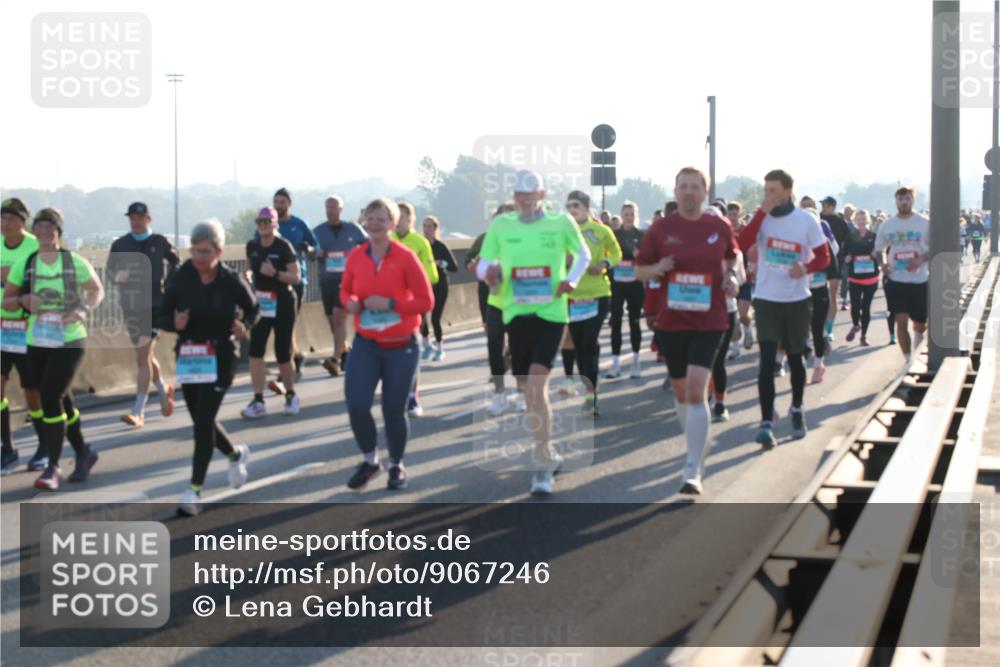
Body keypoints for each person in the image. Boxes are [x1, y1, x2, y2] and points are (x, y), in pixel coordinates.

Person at [476, 170, 590, 496]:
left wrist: (573, 280)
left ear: (542, 195)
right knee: (528, 390)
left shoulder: (561, 222)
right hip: (517, 313)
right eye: (519, 195)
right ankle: (548, 448)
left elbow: (583, 254)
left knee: (537, 386)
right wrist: (490, 272)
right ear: (514, 198)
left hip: (552, 313)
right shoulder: (501, 225)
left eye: (530, 194)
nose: (524, 200)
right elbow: (482, 263)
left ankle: (541, 466)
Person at [636, 167, 740, 494]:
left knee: (696, 390)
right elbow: (638, 270)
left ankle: (692, 467)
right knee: (682, 394)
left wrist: (733, 277)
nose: (689, 192)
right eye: (684, 187)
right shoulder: (660, 229)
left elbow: (733, 257)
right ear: (675, 191)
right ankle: (696, 441)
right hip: (672, 320)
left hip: (710, 319)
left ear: (705, 192)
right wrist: (655, 268)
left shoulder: (717, 226)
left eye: (696, 187)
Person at [156, 218, 257, 516]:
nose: (199, 257)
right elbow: (160, 314)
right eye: (195, 251)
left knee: (202, 423)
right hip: (189, 355)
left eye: (205, 251)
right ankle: (236, 454)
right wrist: (172, 324)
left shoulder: (230, 279)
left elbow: (255, 308)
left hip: (222, 354)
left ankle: (194, 490)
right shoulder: (180, 277)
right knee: (203, 420)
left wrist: (245, 325)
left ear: (219, 251)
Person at [2, 208, 104, 490]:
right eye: (40, 228)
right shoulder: (27, 262)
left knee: (49, 396)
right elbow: (6, 301)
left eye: (51, 228)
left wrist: (82, 310)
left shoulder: (74, 262)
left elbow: (97, 290)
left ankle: (53, 466)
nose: (45, 233)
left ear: (59, 233)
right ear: (34, 233)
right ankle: (84, 453)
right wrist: (24, 299)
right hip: (37, 340)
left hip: (69, 340)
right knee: (61, 399)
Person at [340, 198, 433, 491]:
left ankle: (396, 465)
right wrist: (352, 303)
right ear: (364, 222)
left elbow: (426, 301)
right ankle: (370, 461)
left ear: (393, 224)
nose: (375, 224)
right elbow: (345, 291)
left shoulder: (406, 257)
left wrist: (392, 303)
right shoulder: (356, 256)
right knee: (356, 403)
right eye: (370, 218)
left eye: (381, 219)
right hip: (366, 343)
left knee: (394, 409)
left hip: (401, 344)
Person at [737, 171, 830, 448]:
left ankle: (797, 408)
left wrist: (806, 267)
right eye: (766, 191)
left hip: (797, 299)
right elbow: (741, 245)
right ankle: (766, 422)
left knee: (796, 358)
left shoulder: (805, 220)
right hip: (766, 298)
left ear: (788, 191)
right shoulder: (761, 218)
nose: (769, 196)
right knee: (766, 361)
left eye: (774, 191)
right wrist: (761, 212)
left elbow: (823, 256)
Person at [107, 202, 180, 428]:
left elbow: (177, 262)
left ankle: (139, 411)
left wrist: (169, 284)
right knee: (144, 356)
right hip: (131, 305)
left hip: (155, 305)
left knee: (142, 357)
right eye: (132, 217)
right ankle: (163, 388)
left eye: (140, 217)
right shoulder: (120, 244)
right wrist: (116, 276)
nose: (136, 221)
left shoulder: (160, 241)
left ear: (149, 219)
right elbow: (110, 271)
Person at [563, 190, 621, 415]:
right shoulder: (562, 234)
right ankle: (589, 393)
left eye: (576, 206)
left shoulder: (601, 230)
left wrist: (605, 264)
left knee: (588, 344)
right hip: (572, 297)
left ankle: (592, 396)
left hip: (598, 294)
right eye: (568, 206)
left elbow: (616, 253)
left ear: (586, 209)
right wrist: (563, 259)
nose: (572, 210)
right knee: (579, 349)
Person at [241, 207, 302, 419]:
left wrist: (275, 273)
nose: (263, 225)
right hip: (262, 303)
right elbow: (248, 266)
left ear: (275, 224)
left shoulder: (283, 246)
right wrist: (247, 275)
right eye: (260, 222)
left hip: (283, 301)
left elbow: (295, 277)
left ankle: (291, 394)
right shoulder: (253, 245)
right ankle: (258, 400)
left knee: (282, 353)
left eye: (267, 222)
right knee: (255, 352)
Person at [467, 203, 521, 415]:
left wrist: (504, 268)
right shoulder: (491, 240)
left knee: (519, 349)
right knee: (494, 348)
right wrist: (483, 270)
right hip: (496, 302)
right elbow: (479, 265)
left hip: (520, 303)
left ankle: (522, 392)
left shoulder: (525, 241)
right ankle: (499, 394)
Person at [1, 198, 41, 473]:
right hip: (3, 328)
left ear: (23, 222)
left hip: (30, 330)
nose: (5, 224)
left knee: (32, 392)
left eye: (11, 219)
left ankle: (45, 444)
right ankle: (8, 448)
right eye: (2, 218)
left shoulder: (35, 247)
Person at [392, 202, 438, 417]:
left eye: (402, 217)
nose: (398, 221)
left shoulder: (419, 243)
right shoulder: (386, 240)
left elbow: (432, 276)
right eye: (395, 217)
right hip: (387, 306)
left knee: (410, 352)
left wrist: (410, 283)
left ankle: (413, 396)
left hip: (410, 306)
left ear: (410, 219)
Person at [874, 186, 929, 365]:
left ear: (912, 200)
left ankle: (919, 344)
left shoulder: (923, 222)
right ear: (896, 201)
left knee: (919, 323)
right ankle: (907, 360)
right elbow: (877, 250)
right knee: (900, 318)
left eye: (907, 199)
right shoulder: (887, 225)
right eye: (900, 199)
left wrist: (921, 259)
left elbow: (936, 246)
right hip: (897, 278)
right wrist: (883, 265)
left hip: (920, 278)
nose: (904, 202)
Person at [313, 195, 367, 376]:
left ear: (341, 209)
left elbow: (369, 244)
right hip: (327, 280)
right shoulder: (318, 231)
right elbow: (309, 250)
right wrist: (315, 253)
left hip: (347, 280)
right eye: (328, 207)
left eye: (334, 207)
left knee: (339, 316)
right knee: (332, 319)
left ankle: (334, 358)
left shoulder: (353, 229)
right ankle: (345, 352)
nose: (330, 211)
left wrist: (358, 257)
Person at [270, 188, 318, 381]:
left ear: (289, 204)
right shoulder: (269, 225)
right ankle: (295, 356)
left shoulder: (299, 224)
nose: (278, 205)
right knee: (279, 324)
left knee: (287, 323)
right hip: (272, 280)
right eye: (276, 201)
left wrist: (308, 248)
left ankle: (288, 363)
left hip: (296, 280)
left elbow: (316, 247)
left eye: (282, 202)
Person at [607, 200, 645, 380]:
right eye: (626, 214)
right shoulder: (614, 234)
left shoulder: (641, 235)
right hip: (617, 284)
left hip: (635, 283)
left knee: (634, 321)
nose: (628, 218)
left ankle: (636, 361)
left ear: (635, 216)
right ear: (621, 216)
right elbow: (608, 256)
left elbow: (649, 259)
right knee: (615, 321)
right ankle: (615, 362)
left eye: (631, 214)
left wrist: (641, 256)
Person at [421, 215, 458, 361]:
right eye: (424, 226)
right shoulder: (420, 245)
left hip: (440, 284)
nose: (427, 229)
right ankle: (427, 345)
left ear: (435, 228)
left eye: (430, 226)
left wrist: (440, 262)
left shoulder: (440, 246)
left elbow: (454, 267)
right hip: (424, 284)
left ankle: (440, 349)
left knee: (435, 318)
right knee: (421, 317)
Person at [843, 209, 880, 346]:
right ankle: (855, 324)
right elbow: (844, 254)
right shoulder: (850, 236)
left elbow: (880, 253)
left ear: (868, 220)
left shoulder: (874, 236)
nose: (861, 221)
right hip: (855, 278)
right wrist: (846, 258)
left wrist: (877, 254)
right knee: (855, 305)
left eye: (863, 219)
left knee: (866, 307)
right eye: (858, 219)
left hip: (871, 278)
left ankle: (863, 336)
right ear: (854, 221)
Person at [819, 196, 849, 342]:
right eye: (822, 204)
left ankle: (829, 329)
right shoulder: (817, 219)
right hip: (817, 263)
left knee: (832, 296)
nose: (822, 207)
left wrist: (846, 257)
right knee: (818, 297)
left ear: (832, 206)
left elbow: (847, 241)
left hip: (835, 262)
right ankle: (819, 326)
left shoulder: (840, 221)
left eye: (824, 204)